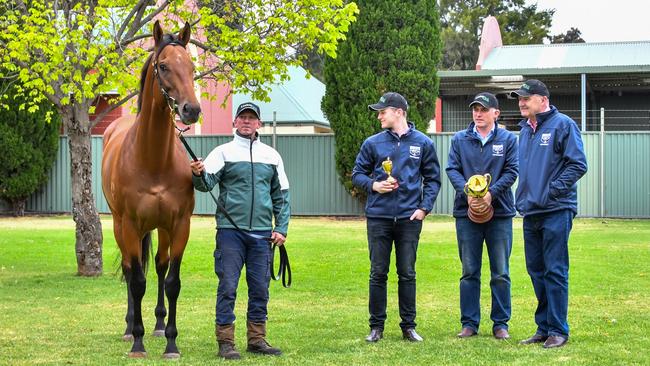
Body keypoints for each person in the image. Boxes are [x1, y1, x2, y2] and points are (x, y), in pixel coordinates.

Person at [191, 102, 291, 359]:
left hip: (261, 235)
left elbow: (281, 196)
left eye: (252, 118)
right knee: (228, 286)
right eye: (242, 117)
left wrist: (281, 228)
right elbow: (206, 184)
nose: (247, 121)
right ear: (234, 122)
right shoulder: (222, 152)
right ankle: (226, 342)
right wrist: (198, 174)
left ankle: (257, 339)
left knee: (260, 288)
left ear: (259, 124)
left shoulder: (272, 156)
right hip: (229, 233)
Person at [352, 92, 441, 343]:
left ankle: (409, 327)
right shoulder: (372, 143)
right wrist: (374, 186)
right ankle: (376, 327)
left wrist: (424, 208)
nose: (379, 115)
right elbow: (357, 173)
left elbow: (433, 179)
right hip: (378, 217)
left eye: (383, 111)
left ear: (399, 112)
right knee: (378, 273)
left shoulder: (423, 143)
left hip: (409, 219)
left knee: (407, 273)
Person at [511, 79, 588, 349]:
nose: (521, 102)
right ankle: (543, 327)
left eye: (526, 97)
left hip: (556, 209)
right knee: (536, 270)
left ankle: (558, 329)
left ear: (543, 100)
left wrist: (552, 191)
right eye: (519, 98)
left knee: (555, 270)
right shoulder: (524, 131)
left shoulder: (563, 125)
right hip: (531, 211)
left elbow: (578, 164)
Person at [445, 92, 518, 340]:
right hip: (466, 215)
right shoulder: (459, 139)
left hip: (500, 213)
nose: (478, 113)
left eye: (483, 109)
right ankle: (469, 323)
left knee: (500, 272)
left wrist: (491, 195)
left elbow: (512, 171)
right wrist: (467, 193)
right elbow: (452, 169)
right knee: (469, 271)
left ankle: (500, 324)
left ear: (495, 113)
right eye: (475, 109)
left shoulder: (508, 139)